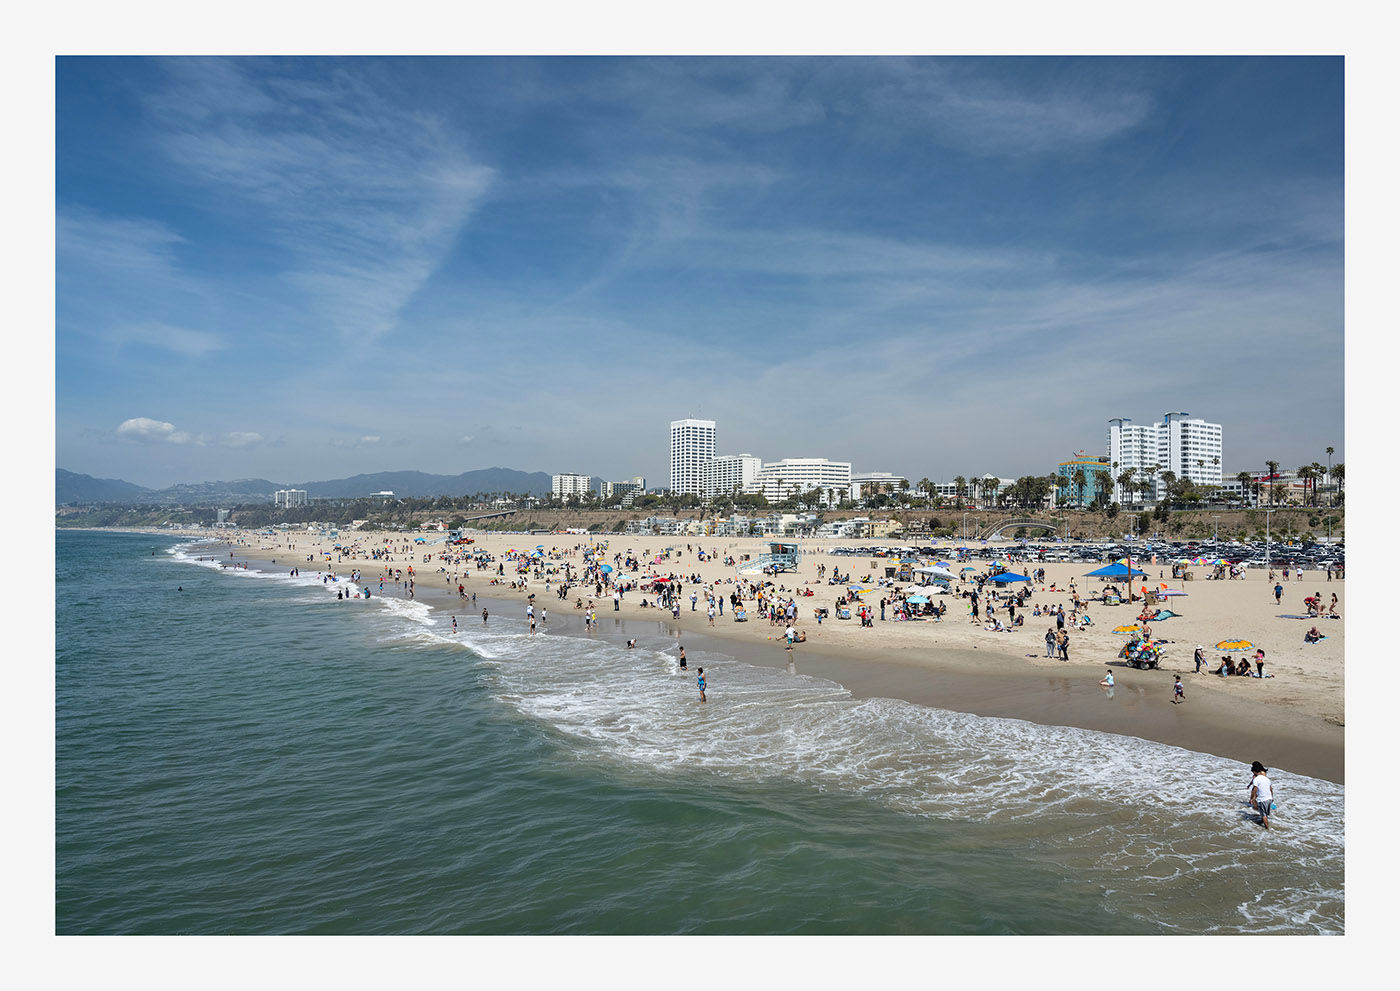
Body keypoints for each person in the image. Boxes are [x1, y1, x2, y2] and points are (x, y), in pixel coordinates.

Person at [1249, 761, 1274, 829]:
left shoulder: (1256, 779)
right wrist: (1272, 798)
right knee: (1265, 813)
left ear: (1254, 772)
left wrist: (1252, 798)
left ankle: (1267, 828)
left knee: (1263, 815)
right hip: (1269, 798)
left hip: (1262, 799)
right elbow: (1271, 789)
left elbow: (1254, 789)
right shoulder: (1267, 779)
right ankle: (1263, 821)